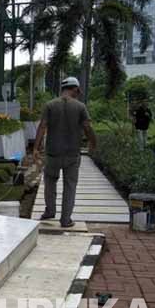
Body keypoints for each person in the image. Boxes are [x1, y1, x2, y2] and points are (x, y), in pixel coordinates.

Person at [32, 77, 97, 228]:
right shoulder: (80, 107)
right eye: (78, 90)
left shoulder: (50, 105)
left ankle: (49, 211)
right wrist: (93, 143)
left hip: (53, 153)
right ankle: (65, 219)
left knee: (50, 183)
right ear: (74, 89)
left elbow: (42, 126)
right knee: (70, 186)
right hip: (72, 155)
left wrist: (35, 148)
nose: (78, 93)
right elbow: (87, 127)